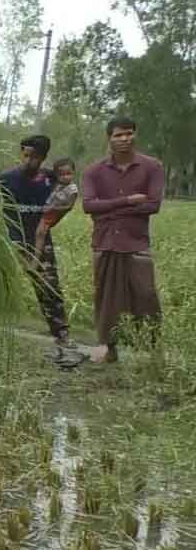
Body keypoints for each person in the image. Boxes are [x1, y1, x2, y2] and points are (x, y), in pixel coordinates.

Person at [81, 116, 164, 364]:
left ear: (135, 135)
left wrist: (107, 211)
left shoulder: (152, 167)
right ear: (109, 138)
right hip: (105, 241)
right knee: (106, 297)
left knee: (146, 295)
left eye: (129, 133)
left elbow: (153, 205)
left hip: (136, 242)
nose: (124, 138)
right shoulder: (93, 171)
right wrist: (127, 201)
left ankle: (152, 350)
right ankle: (109, 349)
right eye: (118, 135)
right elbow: (88, 206)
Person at [0, 136, 81, 363]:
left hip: (39, 244)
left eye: (33, 157)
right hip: (10, 242)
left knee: (50, 289)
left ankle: (62, 337)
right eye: (25, 155)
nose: (28, 160)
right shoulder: (6, 179)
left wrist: (52, 220)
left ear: (43, 158)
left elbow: (66, 200)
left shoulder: (51, 178)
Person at [35, 158, 80, 260]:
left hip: (53, 212)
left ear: (73, 172)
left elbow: (69, 207)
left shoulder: (72, 189)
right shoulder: (56, 182)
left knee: (40, 233)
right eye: (62, 175)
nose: (65, 177)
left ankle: (35, 259)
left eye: (68, 174)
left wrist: (54, 208)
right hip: (46, 207)